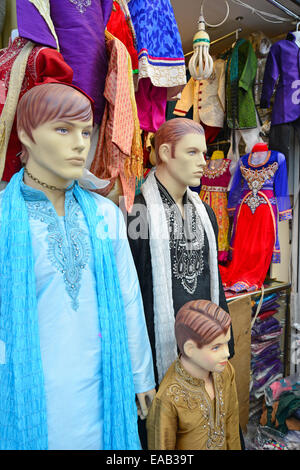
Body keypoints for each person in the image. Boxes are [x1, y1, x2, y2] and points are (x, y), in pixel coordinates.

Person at [0, 82, 155, 450]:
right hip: (30, 396)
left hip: (104, 391)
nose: (81, 143)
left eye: (86, 131)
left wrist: (140, 377)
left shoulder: (105, 215)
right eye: (63, 129)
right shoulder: (4, 220)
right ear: (26, 134)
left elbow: (129, 302)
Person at [127, 118, 234, 387]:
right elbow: (131, 292)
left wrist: (224, 344)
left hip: (205, 350)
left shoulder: (205, 211)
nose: (203, 162)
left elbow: (214, 282)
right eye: (192, 152)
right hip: (159, 353)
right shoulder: (138, 213)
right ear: (165, 153)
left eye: (204, 154)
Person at [146, 299, 241, 450]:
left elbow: (232, 427)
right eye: (216, 347)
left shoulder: (225, 371)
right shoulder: (168, 398)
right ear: (190, 349)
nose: (227, 353)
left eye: (226, 343)